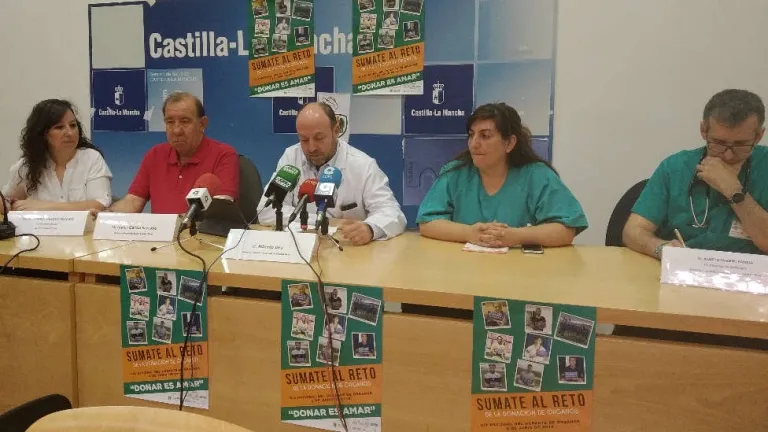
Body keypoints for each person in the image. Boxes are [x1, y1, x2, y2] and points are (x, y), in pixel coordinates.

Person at [417, 103, 588, 248]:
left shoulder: (538, 176)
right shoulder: (455, 173)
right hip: (463, 269)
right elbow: (427, 223)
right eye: (471, 135)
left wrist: (515, 236)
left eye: (485, 136)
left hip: (523, 271)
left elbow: (566, 230)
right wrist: (468, 233)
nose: (474, 143)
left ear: (509, 143)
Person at [624, 89, 768, 257]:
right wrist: (661, 248)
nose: (728, 155)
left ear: (758, 136)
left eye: (741, 144)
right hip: (683, 267)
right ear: (703, 130)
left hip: (748, 270)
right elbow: (633, 231)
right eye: (719, 143)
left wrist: (733, 190)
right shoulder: (675, 167)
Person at [259, 102, 406, 245]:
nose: (311, 148)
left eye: (319, 138)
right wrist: (327, 222)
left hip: (347, 250)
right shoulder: (291, 157)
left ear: (336, 130)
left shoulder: (362, 165)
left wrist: (370, 228)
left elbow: (393, 213)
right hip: (300, 247)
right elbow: (266, 211)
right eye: (304, 139)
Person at [106, 92, 239, 214]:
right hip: (160, 232)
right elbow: (133, 201)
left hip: (198, 232)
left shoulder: (223, 155)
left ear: (202, 124)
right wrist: (105, 215)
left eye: (185, 121)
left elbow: (219, 213)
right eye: (170, 122)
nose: (176, 130)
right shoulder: (155, 155)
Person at [2, 99, 112, 211]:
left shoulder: (91, 158)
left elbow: (99, 204)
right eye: (59, 127)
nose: (69, 133)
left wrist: (43, 206)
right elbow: (5, 200)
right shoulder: (28, 165)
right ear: (42, 134)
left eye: (73, 125)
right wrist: (7, 204)